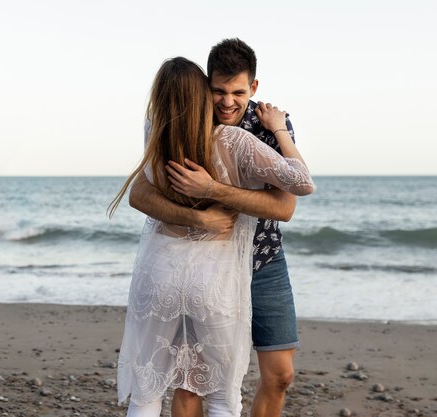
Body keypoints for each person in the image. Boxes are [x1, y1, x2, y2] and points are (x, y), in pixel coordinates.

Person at [110, 57, 314, 417]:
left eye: (237, 92)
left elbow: (285, 208)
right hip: (211, 272)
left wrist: (212, 188)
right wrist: (199, 217)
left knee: (276, 375)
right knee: (204, 387)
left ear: (253, 88)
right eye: (217, 91)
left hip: (259, 260)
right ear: (205, 89)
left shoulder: (261, 126)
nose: (226, 101)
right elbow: (139, 194)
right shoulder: (175, 131)